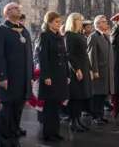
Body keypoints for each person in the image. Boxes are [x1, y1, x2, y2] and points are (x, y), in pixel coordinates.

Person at [0, 2, 33, 147]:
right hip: (9, 78)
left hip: (23, 78)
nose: (18, 9)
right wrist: (2, 76)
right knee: (6, 111)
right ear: (7, 13)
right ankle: (4, 141)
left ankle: (14, 138)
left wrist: (31, 76)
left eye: (19, 7)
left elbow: (29, 55)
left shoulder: (24, 31)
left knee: (18, 110)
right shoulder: (1, 30)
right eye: (15, 8)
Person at [37, 11, 69, 141]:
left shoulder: (60, 37)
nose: (59, 24)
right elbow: (43, 58)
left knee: (57, 105)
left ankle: (55, 132)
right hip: (51, 75)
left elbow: (64, 57)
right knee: (49, 106)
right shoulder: (44, 36)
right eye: (56, 22)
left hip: (60, 75)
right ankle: (48, 133)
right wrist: (46, 76)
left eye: (59, 21)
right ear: (49, 23)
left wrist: (67, 74)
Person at [65, 13, 92, 132]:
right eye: (80, 20)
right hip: (76, 69)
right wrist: (77, 69)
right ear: (74, 21)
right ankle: (73, 121)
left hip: (84, 67)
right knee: (75, 96)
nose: (82, 22)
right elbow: (69, 55)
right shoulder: (69, 35)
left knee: (81, 96)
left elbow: (85, 54)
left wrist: (89, 68)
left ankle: (78, 119)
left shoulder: (79, 34)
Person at [87, 15, 114, 125]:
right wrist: (94, 70)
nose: (106, 23)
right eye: (104, 21)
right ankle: (95, 116)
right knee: (97, 94)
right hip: (99, 70)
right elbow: (91, 54)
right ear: (97, 24)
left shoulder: (104, 36)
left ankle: (101, 114)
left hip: (106, 70)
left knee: (103, 94)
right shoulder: (94, 36)